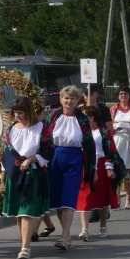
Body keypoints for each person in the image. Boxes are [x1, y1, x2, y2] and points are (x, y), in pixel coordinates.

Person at [46, 85, 95, 250]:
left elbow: (89, 145)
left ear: (77, 101)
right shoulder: (53, 116)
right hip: (55, 158)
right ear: (61, 99)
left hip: (74, 159)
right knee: (59, 200)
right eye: (66, 98)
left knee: (68, 198)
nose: (69, 101)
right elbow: (44, 138)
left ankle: (66, 236)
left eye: (72, 98)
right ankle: (66, 234)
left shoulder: (82, 119)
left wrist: (91, 168)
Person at [2, 97, 50, 259]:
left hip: (32, 173)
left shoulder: (41, 128)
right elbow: (6, 154)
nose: (18, 116)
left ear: (29, 111)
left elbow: (47, 151)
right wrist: (4, 174)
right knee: (19, 212)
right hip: (15, 174)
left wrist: (32, 159)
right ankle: (24, 241)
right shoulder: (11, 130)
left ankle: (25, 248)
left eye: (21, 113)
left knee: (27, 211)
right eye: (16, 113)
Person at [76, 106, 121, 241]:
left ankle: (103, 226)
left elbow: (109, 151)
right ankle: (84, 229)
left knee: (102, 199)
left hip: (101, 165)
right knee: (85, 198)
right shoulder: (80, 132)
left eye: (87, 116)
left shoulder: (102, 132)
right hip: (86, 165)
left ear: (93, 117)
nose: (83, 119)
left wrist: (109, 167)